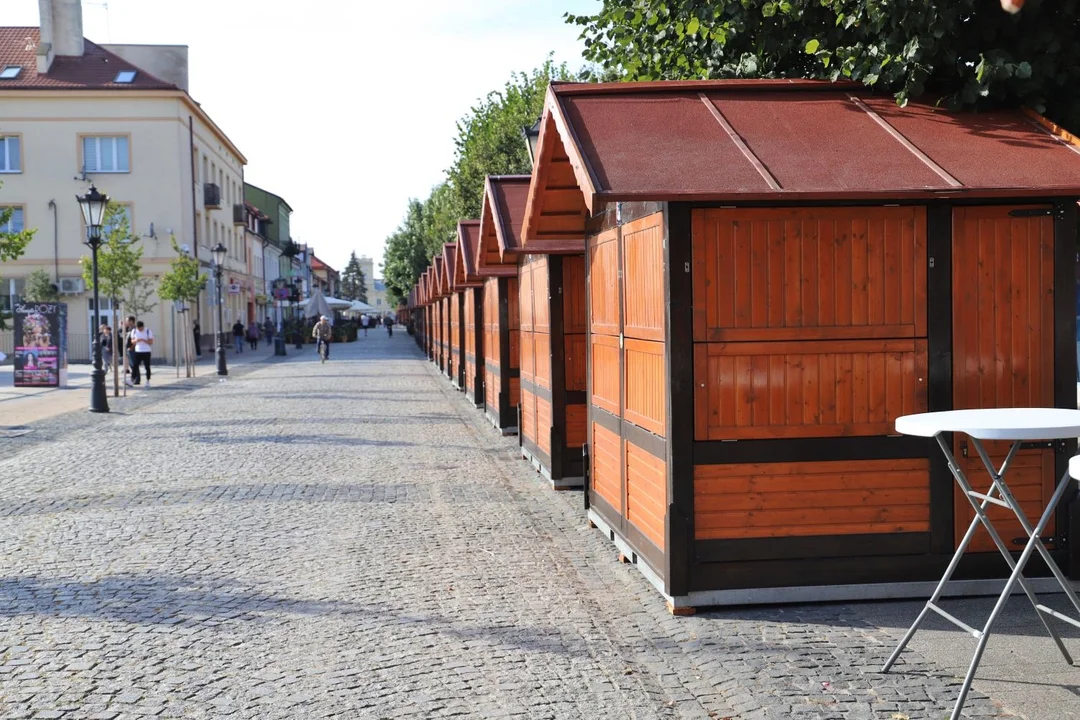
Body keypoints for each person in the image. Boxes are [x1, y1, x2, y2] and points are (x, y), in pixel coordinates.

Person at [129, 320, 153, 387]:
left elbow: (151, 342)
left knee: (147, 366)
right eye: (138, 329)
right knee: (135, 366)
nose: (139, 330)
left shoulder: (148, 331)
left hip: (146, 351)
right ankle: (132, 379)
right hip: (138, 351)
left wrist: (144, 340)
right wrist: (136, 340)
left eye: (141, 329)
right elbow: (132, 341)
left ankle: (148, 380)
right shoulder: (134, 331)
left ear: (143, 327)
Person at [123, 315, 137, 386]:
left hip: (133, 349)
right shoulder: (129, 329)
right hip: (129, 349)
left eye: (127, 320)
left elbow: (135, 339)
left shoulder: (134, 329)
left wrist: (132, 347)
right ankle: (135, 379)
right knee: (132, 365)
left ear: (131, 321)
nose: (126, 322)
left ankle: (136, 379)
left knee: (134, 364)